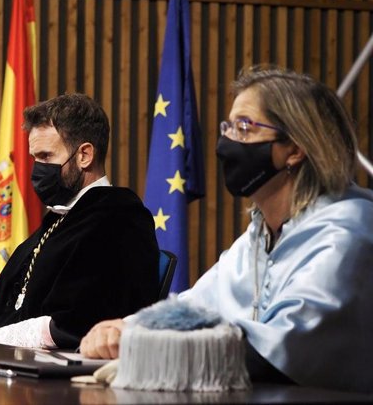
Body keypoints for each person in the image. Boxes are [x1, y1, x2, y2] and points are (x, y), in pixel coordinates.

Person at [80, 67, 373, 393]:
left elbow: (281, 350)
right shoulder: (261, 234)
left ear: (295, 148)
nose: (225, 143)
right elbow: (194, 308)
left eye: (244, 128)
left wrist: (146, 348)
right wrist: (125, 328)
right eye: (228, 127)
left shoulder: (349, 229)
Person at [0, 93, 160, 349]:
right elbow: (5, 295)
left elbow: (76, 323)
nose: (37, 170)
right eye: (34, 159)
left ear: (84, 155)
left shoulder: (119, 217)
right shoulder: (61, 216)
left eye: (46, 157)